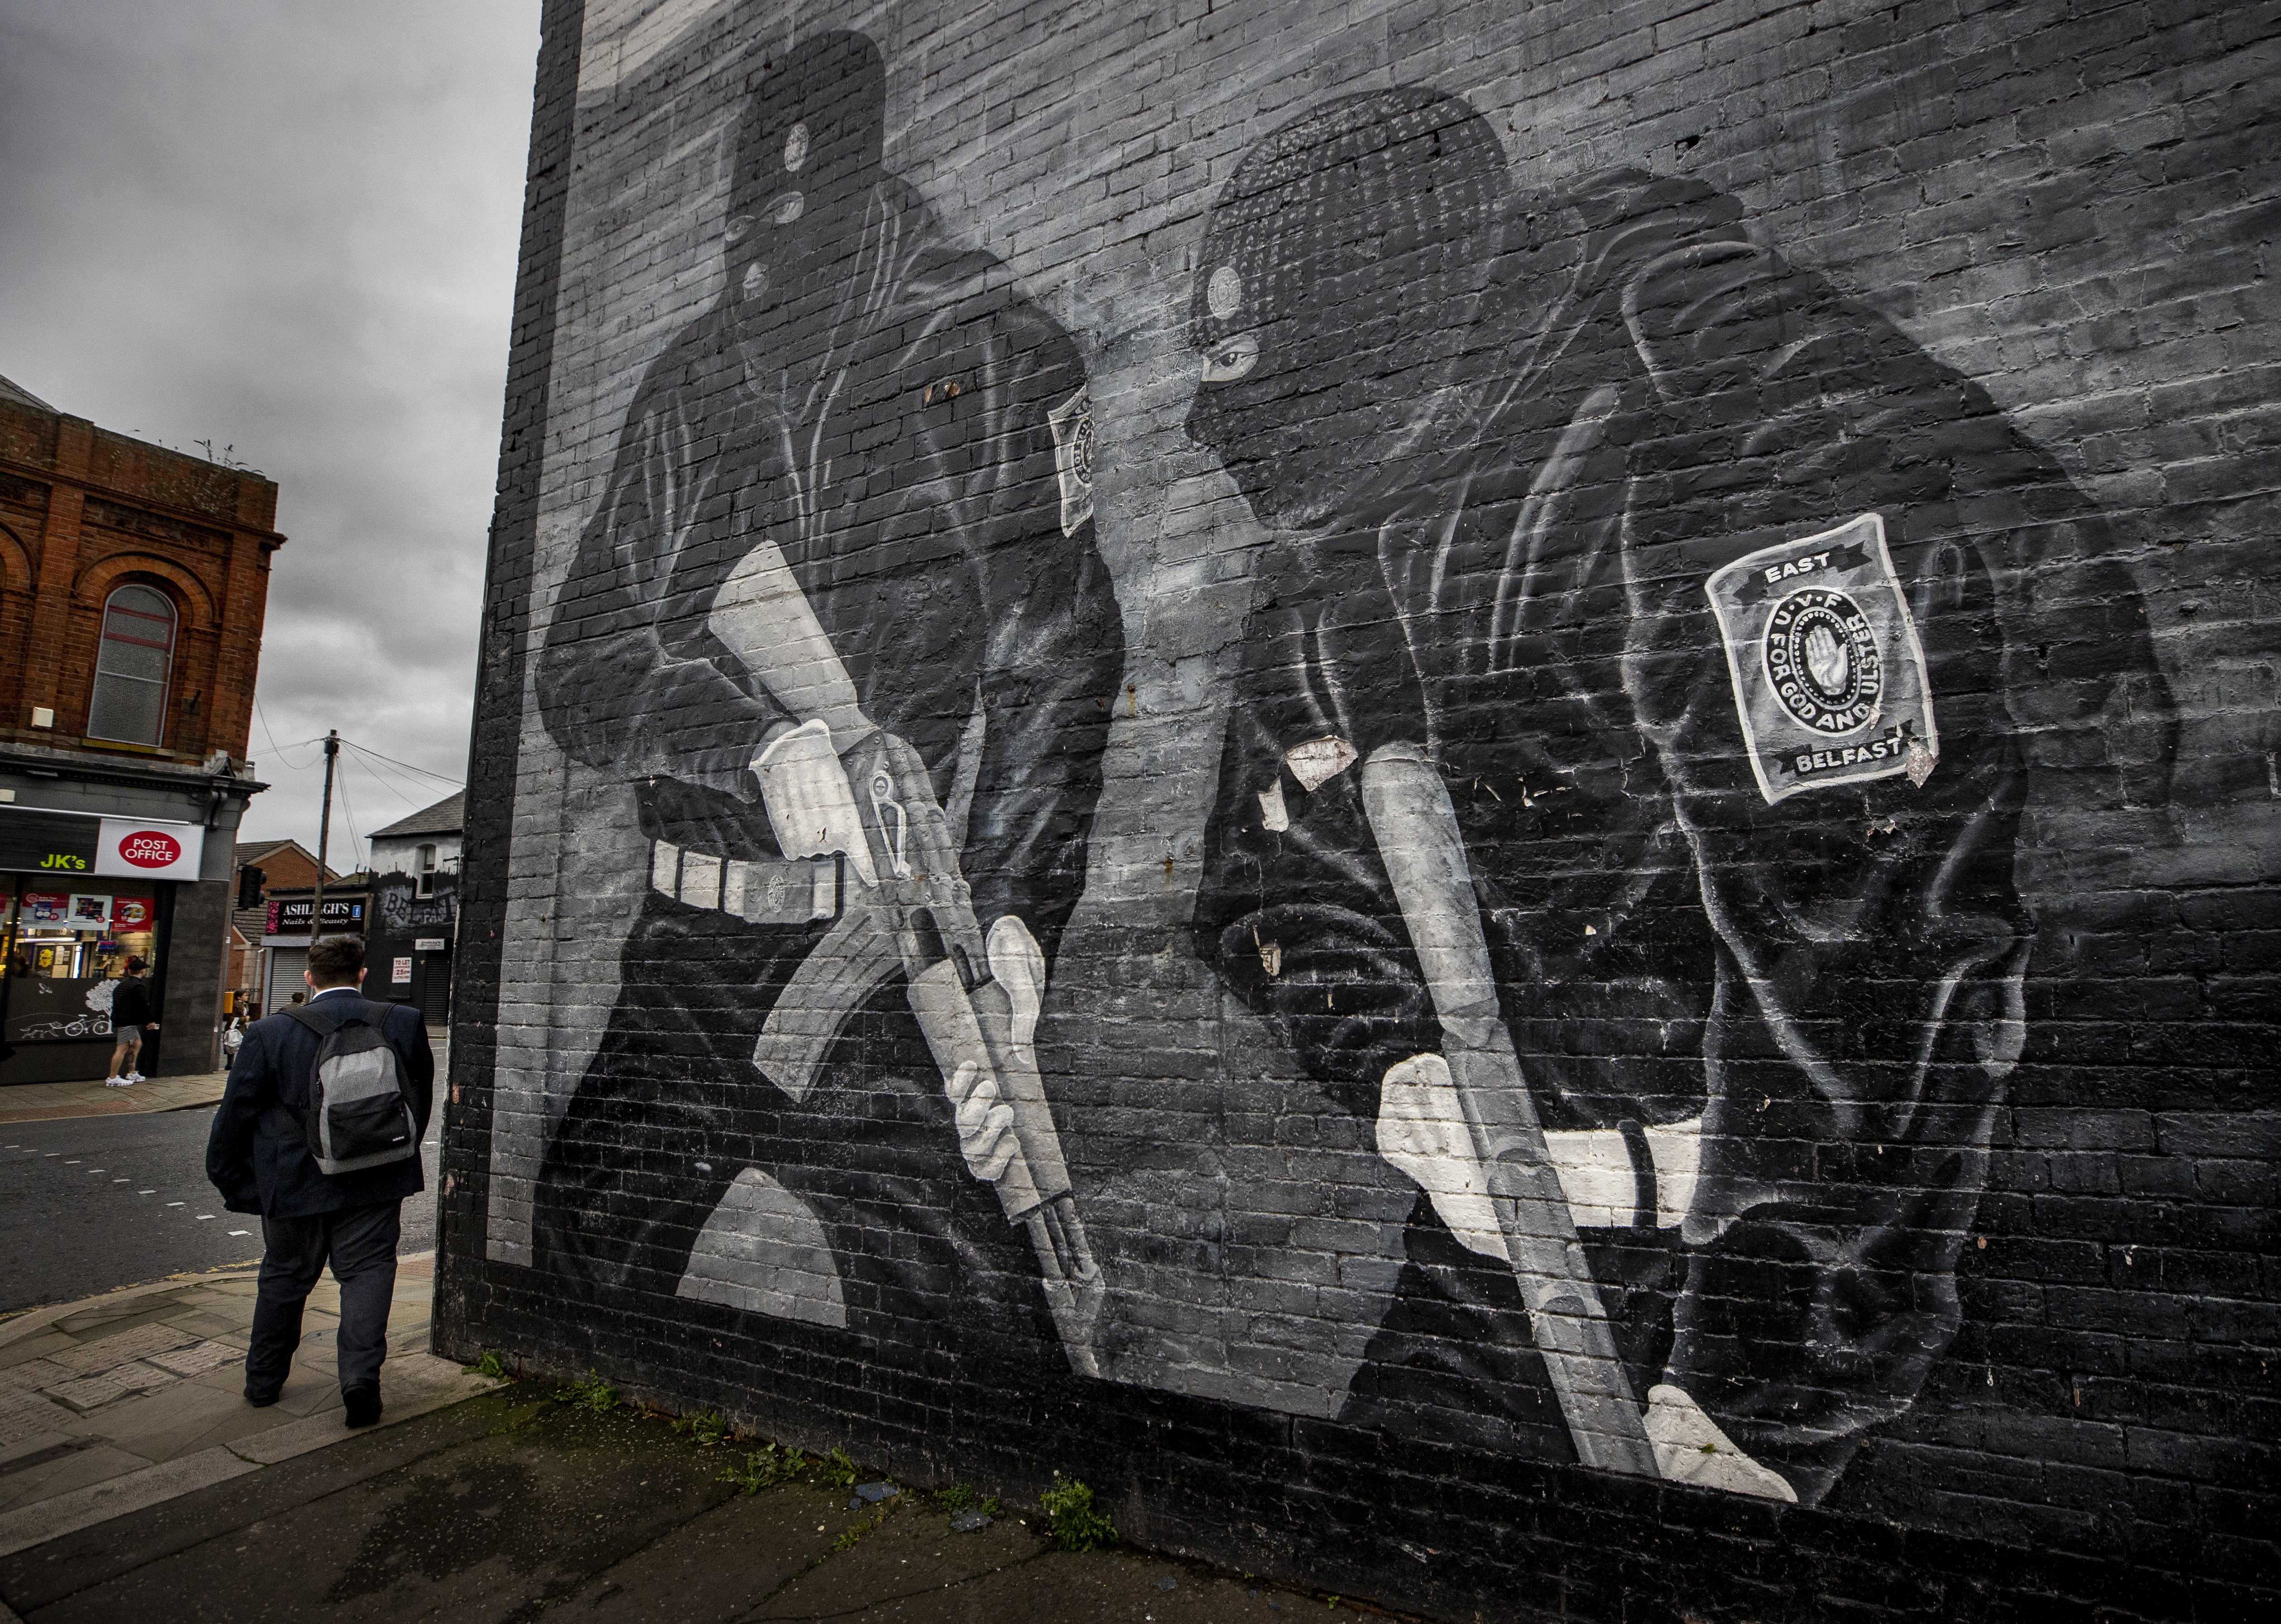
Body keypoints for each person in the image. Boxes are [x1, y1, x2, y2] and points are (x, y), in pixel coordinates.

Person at [1184, 88, 2169, 1504]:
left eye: (1277, 397)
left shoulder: (1732, 452)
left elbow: (1876, 947)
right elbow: (1263, 871)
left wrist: (1765, 1396)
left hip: (1840, 1227)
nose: (1238, 450)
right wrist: (1394, 1062)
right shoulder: (1340, 537)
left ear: (1383, 351)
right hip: (1533, 1218)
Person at [531, 29, 1122, 1364]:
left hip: (885, 938)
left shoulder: (1003, 357)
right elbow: (580, 664)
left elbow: (1057, 656)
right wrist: (752, 738)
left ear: (860, 196)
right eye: (749, 225)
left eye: (792, 221)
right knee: (576, 1254)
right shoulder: (695, 378)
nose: (758, 261)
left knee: (980, 1318)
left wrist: (1019, 914)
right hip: (685, 952)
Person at [205, 934, 435, 1426]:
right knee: (368, 1272)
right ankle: (359, 1381)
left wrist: (234, 1181)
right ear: (362, 972)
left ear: (309, 978)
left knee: (286, 1277)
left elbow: (235, 1115)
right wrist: (393, 1153)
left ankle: (264, 1382)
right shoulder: (402, 1021)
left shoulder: (268, 1032)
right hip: (375, 1177)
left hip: (291, 1182)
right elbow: (418, 1101)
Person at [103, 958, 158, 1087]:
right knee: (122, 1049)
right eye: (144, 969)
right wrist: (150, 1021)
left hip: (125, 1021)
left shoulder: (124, 984)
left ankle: (132, 1073)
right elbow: (143, 1005)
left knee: (137, 1044)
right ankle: (112, 1078)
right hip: (127, 1022)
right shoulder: (137, 986)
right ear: (142, 971)